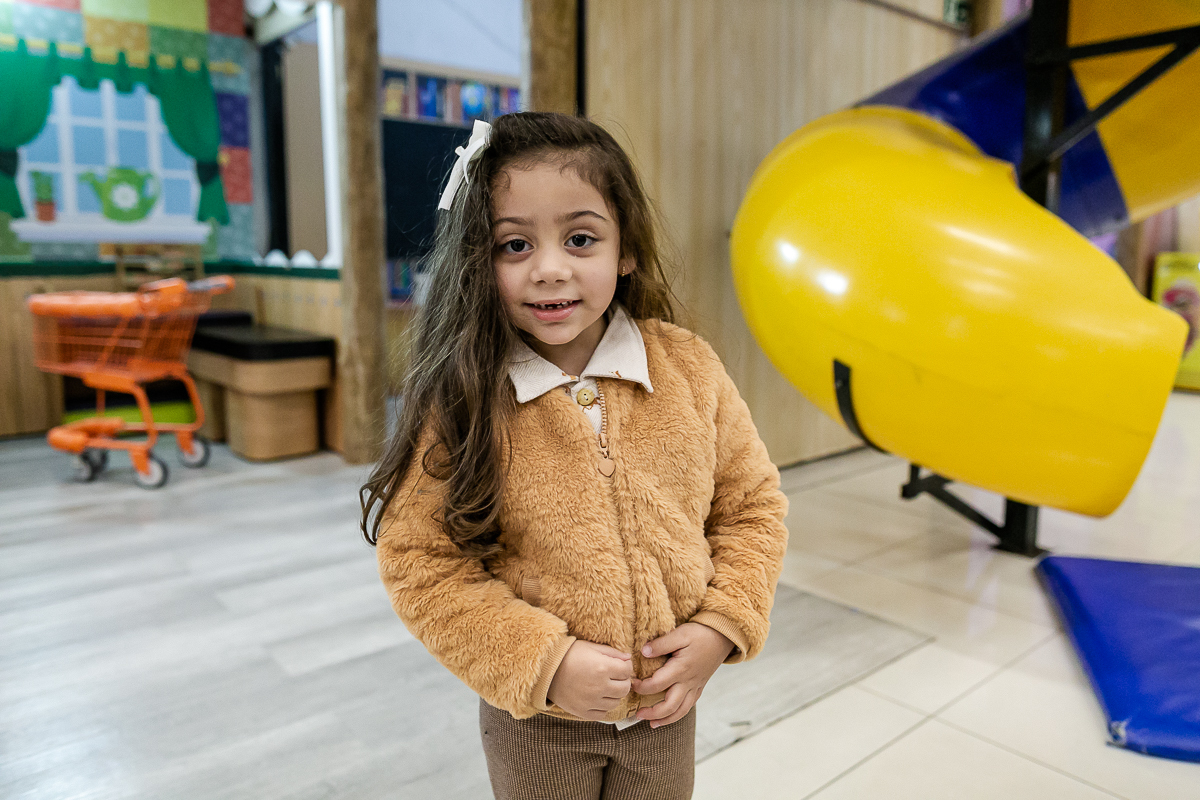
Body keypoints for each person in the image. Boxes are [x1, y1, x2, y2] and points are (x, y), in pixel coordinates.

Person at [361, 112, 789, 800]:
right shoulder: (465, 396)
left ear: (625, 250)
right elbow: (420, 563)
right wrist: (546, 662)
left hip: (663, 713)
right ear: (479, 258)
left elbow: (752, 508)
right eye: (514, 245)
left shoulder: (689, 368)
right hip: (536, 720)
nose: (550, 268)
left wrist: (721, 625)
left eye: (581, 238)